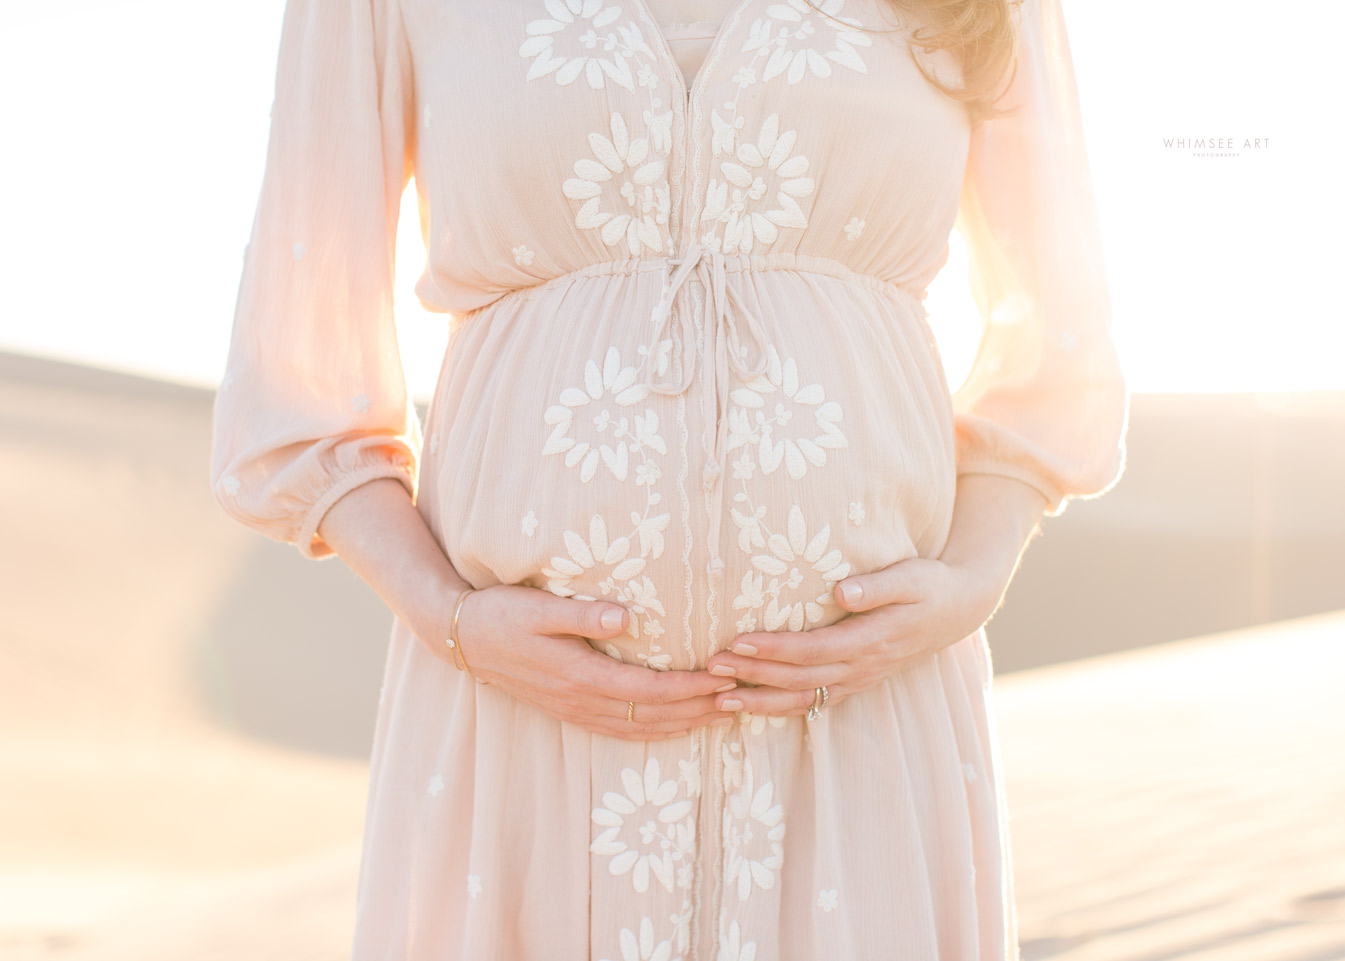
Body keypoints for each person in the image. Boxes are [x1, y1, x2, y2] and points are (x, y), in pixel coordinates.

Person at [210, 0, 1128, 957]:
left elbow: (1055, 345)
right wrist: (449, 616)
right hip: (515, 725)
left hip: (864, 722)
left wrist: (971, 581)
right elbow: (297, 373)